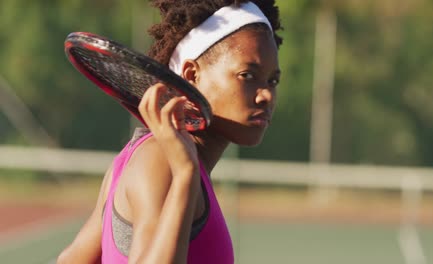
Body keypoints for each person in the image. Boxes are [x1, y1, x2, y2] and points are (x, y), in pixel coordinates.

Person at [57, 0, 283, 263]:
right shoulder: (162, 160)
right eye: (247, 75)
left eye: (273, 80)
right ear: (191, 75)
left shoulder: (150, 155)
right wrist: (184, 175)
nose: (266, 95)